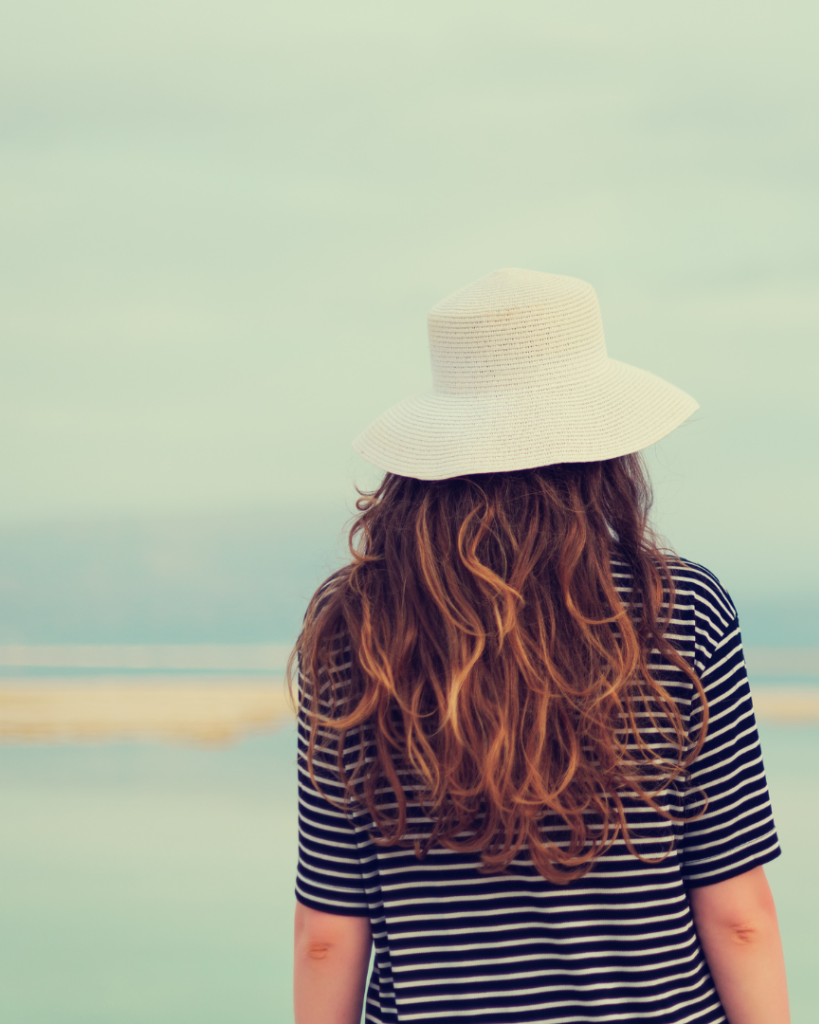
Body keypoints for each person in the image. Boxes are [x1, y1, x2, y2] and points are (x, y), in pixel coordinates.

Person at [291, 268, 789, 1024]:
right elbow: (738, 913)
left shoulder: (356, 627)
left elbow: (327, 934)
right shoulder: (677, 609)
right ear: (604, 447)